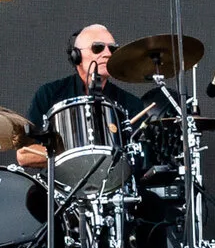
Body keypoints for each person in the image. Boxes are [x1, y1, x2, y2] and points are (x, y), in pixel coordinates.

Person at [18, 25, 141, 171]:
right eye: (98, 48)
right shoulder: (50, 94)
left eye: (112, 49)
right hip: (63, 184)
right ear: (76, 56)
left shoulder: (130, 104)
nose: (107, 54)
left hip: (115, 182)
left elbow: (140, 158)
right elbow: (24, 155)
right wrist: (73, 156)